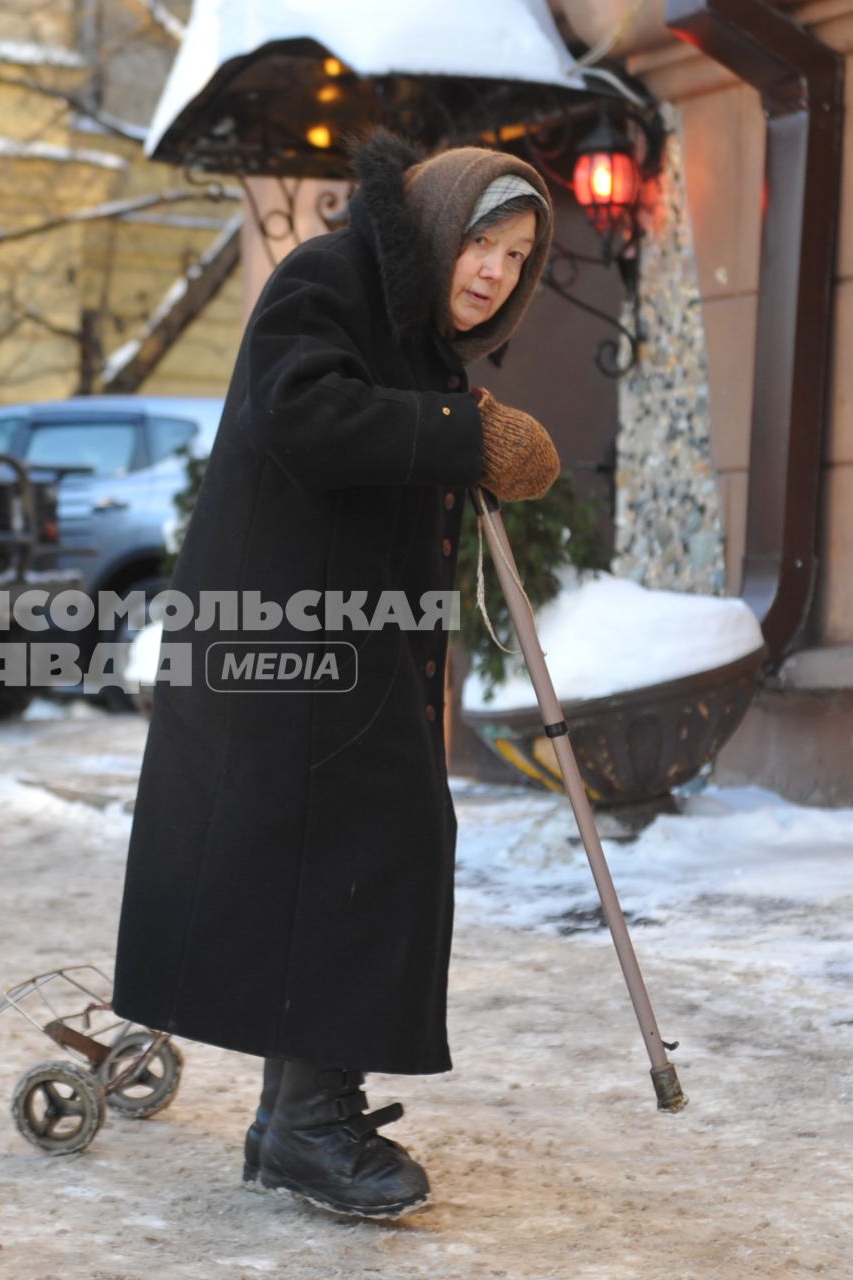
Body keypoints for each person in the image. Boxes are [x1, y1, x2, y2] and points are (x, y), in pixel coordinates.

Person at [110, 129, 562, 1220]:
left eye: (517, 256)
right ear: (438, 227)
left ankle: (298, 1115)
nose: (495, 270)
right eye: (483, 243)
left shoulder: (415, 332)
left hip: (350, 641)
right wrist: (466, 430)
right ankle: (312, 1123)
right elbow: (303, 414)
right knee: (365, 844)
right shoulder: (327, 278)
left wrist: (465, 431)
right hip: (286, 638)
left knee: (348, 853)